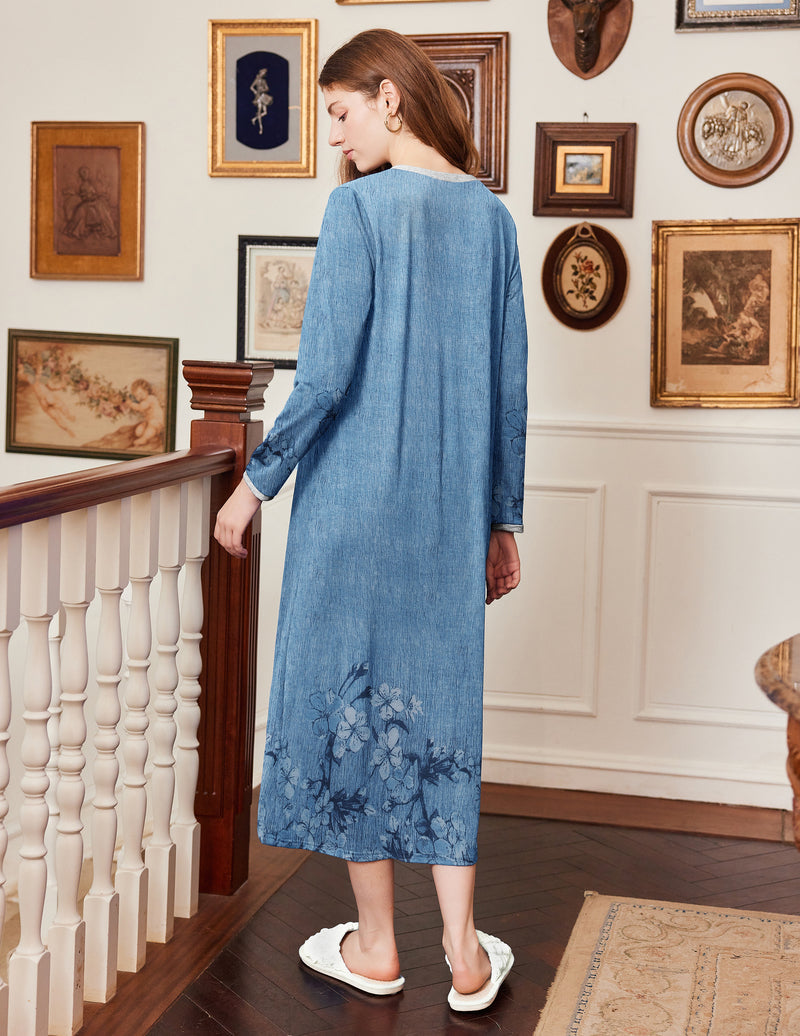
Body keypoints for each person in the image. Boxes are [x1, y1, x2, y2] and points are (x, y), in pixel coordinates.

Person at [214, 28, 528, 1013]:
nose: (336, 136)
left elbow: (323, 375)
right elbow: (507, 392)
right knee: (441, 709)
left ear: (390, 98)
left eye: (341, 112)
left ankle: (380, 946)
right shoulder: (492, 221)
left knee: (356, 714)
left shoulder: (356, 210)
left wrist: (254, 484)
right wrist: (501, 520)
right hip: (445, 517)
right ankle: (465, 956)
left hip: (350, 511)